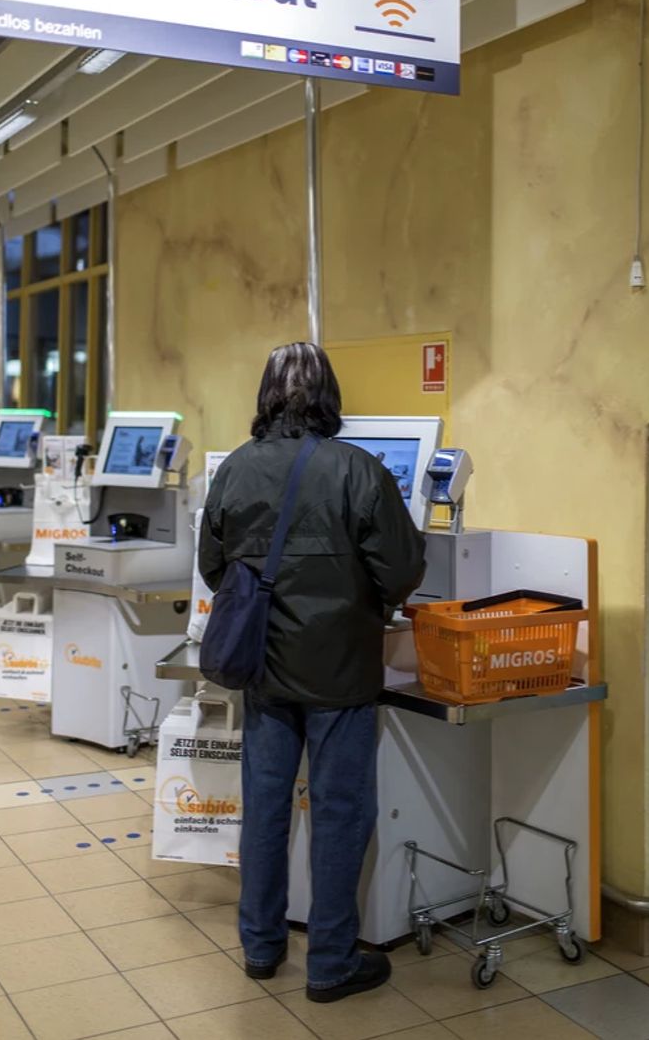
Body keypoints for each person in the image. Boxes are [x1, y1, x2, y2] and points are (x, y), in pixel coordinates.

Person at [199, 342, 426, 1004]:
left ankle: (261, 947)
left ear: (266, 396)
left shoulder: (235, 470)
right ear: (328, 395)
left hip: (265, 671)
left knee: (266, 809)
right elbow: (403, 569)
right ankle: (330, 960)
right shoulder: (360, 470)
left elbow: (216, 566)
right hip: (342, 672)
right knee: (339, 812)